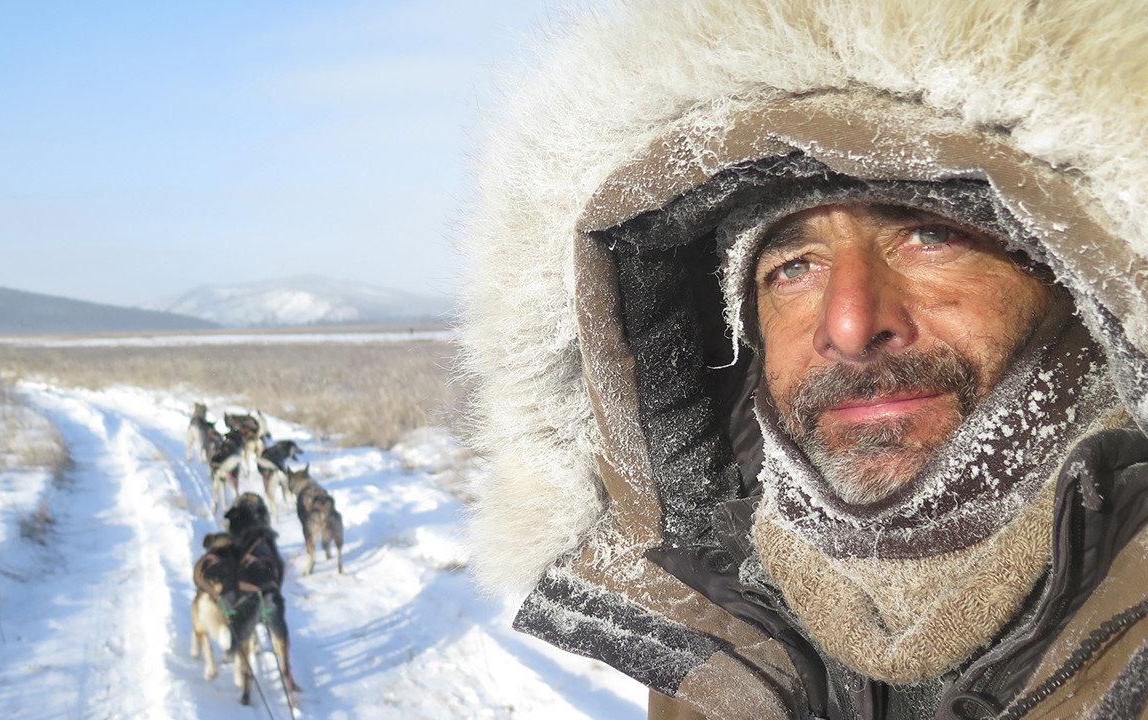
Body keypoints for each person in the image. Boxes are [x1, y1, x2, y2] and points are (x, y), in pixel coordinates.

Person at [457, 0, 1148, 718]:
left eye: (931, 235)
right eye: (792, 267)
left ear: (1080, 273)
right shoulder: (718, 630)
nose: (849, 326)